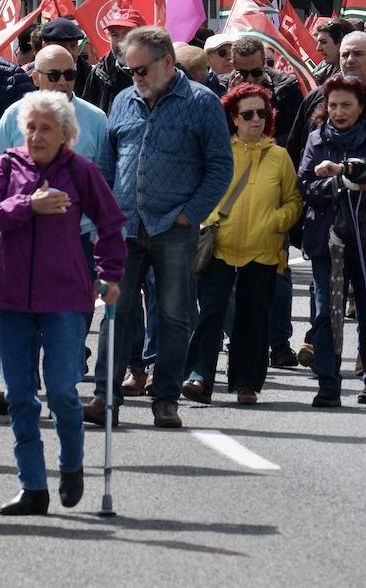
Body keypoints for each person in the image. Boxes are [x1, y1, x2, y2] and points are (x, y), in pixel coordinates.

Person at [0, 91, 125, 514]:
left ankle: (71, 465)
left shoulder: (81, 170)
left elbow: (110, 224)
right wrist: (28, 205)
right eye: (31, 127)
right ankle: (33, 487)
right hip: (9, 290)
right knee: (20, 395)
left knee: (61, 390)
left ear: (66, 134)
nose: (36, 136)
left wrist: (110, 273)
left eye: (46, 128)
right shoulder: (6, 165)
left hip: (65, 294)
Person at [87, 27, 233, 430]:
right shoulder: (122, 100)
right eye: (129, 69)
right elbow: (106, 163)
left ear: (168, 62)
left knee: (172, 316)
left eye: (140, 69)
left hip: (174, 227)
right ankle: (105, 396)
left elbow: (221, 166)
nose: (134, 77)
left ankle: (166, 399)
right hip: (124, 226)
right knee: (117, 312)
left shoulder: (202, 103)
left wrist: (190, 214)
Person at [183, 84, 302, 405]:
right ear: (233, 118)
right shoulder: (219, 151)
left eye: (262, 113)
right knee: (210, 314)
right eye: (247, 114)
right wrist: (208, 221)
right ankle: (200, 377)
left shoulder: (279, 157)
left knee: (253, 318)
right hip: (219, 247)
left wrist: (275, 223)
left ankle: (246, 382)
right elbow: (202, 190)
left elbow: (293, 201)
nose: (256, 119)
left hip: (263, 252)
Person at [299, 78, 366, 407]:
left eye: (346, 105)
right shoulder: (316, 138)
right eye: (333, 105)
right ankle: (328, 385)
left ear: (362, 107)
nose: (339, 111)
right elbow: (305, 184)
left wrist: (343, 170)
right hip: (325, 239)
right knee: (324, 312)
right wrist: (340, 185)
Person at [225, 36, 304, 147]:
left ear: (264, 63)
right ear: (233, 65)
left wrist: (272, 145)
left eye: (256, 72)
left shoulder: (288, 88)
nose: (250, 79)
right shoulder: (220, 88)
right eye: (243, 73)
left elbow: (299, 131)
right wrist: (230, 100)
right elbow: (217, 132)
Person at [81, 9, 145, 112]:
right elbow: (89, 118)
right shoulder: (99, 73)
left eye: (127, 34)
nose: (120, 41)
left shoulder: (160, 72)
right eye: (115, 35)